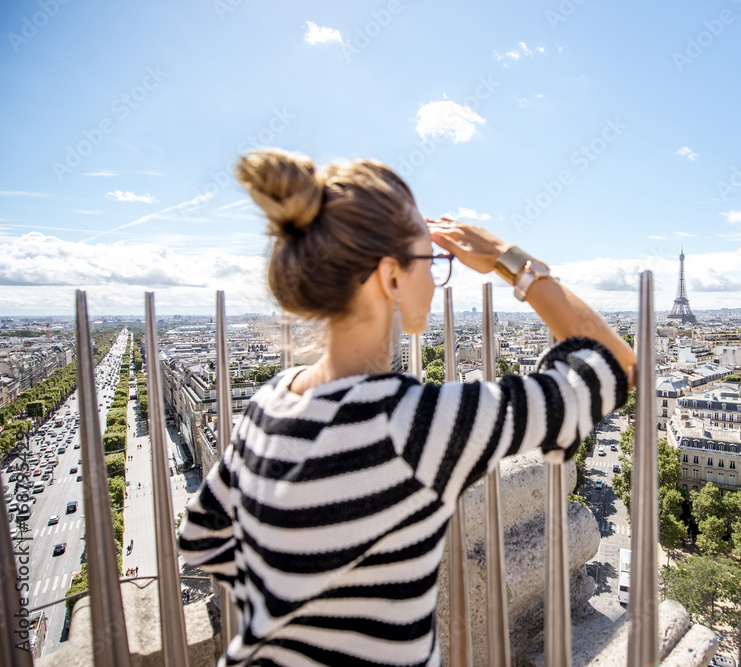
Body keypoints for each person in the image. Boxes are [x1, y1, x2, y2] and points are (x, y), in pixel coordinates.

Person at [178, 149, 635, 667]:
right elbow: (615, 368)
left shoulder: (271, 400)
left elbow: (203, 539)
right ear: (392, 276)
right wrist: (515, 263)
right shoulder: (417, 425)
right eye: (432, 261)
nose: (439, 277)